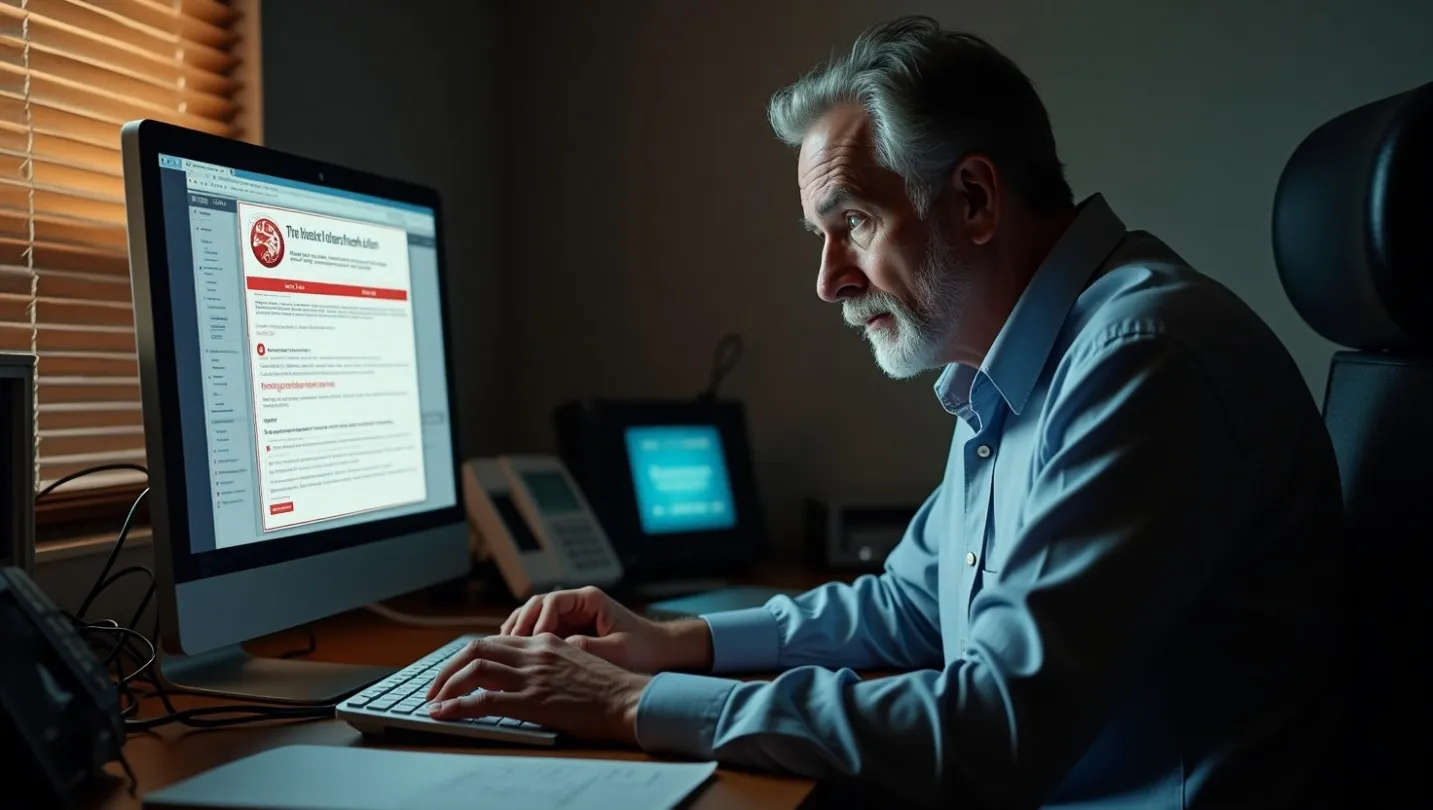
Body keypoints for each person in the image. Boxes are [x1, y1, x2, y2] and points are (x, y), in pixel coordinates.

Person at [426, 16, 1345, 809]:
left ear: (975, 199)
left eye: (853, 223)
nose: (827, 282)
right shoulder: (1017, 359)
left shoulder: (1140, 362)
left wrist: (632, 706)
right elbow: (912, 606)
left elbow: (993, 729)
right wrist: (678, 643)